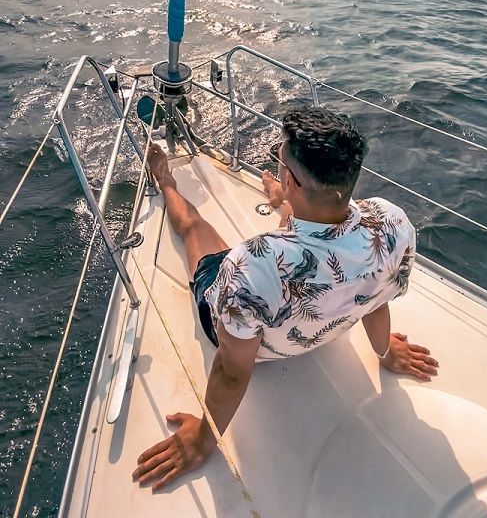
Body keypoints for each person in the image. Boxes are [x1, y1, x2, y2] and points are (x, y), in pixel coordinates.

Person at [132, 107, 438, 492]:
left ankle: (166, 183)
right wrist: (385, 352)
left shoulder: (249, 266)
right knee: (306, 236)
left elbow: (231, 370)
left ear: (290, 178)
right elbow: (376, 298)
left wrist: (201, 440)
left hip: (259, 347)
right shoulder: (391, 224)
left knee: (194, 228)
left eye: (282, 158)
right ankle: (292, 207)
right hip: (319, 323)